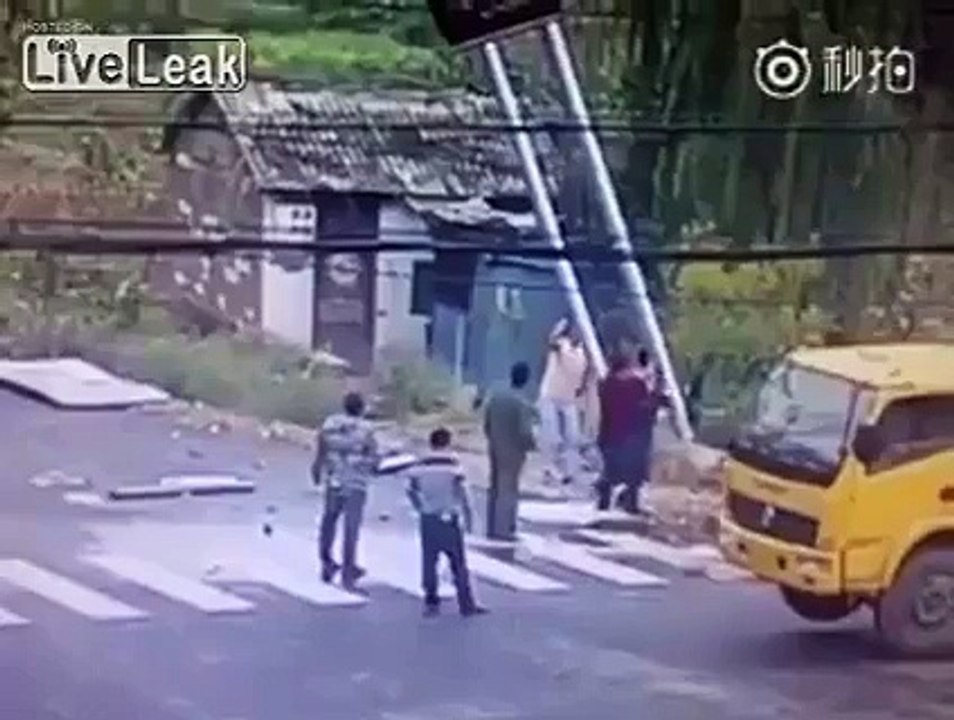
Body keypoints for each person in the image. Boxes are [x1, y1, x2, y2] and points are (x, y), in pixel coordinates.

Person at [406, 427, 487, 618]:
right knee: (458, 562)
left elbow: (410, 489)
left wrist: (420, 506)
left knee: (429, 561)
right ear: (448, 443)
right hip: (449, 517)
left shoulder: (421, 465)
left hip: (428, 517)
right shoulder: (453, 465)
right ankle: (466, 603)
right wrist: (469, 517)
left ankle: (431, 602)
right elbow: (463, 492)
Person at [313, 391, 378, 589]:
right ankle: (348, 572)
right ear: (361, 408)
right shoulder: (367, 429)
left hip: (334, 480)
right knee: (351, 529)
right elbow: (373, 458)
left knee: (328, 523)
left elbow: (321, 451)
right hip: (356, 483)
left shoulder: (329, 424)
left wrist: (317, 470)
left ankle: (327, 562)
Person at [596, 339, 666, 515]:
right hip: (632, 435)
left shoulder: (606, 383)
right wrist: (657, 398)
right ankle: (630, 502)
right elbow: (643, 408)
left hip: (610, 434)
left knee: (612, 470)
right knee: (634, 474)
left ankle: (605, 494)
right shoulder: (635, 384)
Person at [483, 361, 536, 540]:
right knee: (509, 490)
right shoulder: (522, 403)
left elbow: (487, 424)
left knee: (494, 487)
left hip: (494, 447)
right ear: (526, 380)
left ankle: (491, 526)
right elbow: (524, 432)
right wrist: (531, 445)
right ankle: (504, 529)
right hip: (513, 452)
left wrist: (493, 439)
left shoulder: (496, 398)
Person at [538, 318, 590, 485]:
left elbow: (584, 372)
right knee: (552, 436)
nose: (579, 333)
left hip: (568, 398)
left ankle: (570, 471)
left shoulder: (582, 352)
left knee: (572, 436)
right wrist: (559, 327)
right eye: (576, 330)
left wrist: (581, 389)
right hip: (550, 395)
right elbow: (551, 342)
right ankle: (548, 469)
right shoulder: (561, 344)